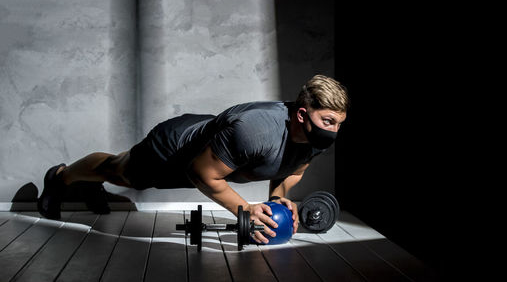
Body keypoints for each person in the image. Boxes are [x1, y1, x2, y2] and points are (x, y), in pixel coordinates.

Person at [38, 74, 349, 243]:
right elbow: (202, 174)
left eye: (339, 124)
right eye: (328, 122)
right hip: (173, 148)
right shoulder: (256, 130)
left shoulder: (315, 137)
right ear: (301, 114)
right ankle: (60, 177)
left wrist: (278, 198)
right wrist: (246, 211)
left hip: (212, 152)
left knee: (116, 173)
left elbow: (292, 169)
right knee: (120, 172)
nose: (334, 132)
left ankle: (91, 184)